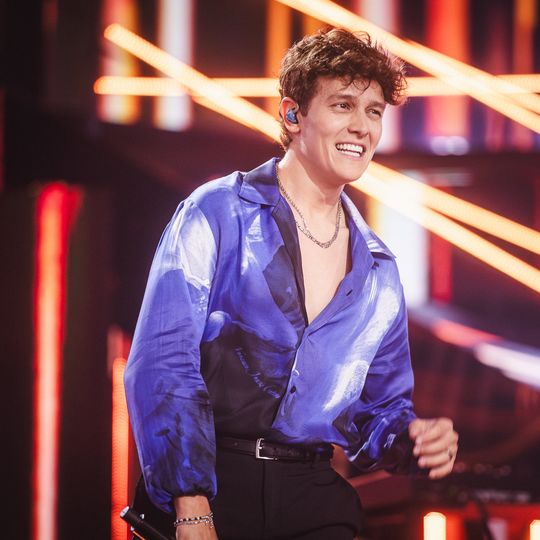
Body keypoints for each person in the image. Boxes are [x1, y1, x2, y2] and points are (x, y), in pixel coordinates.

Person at [124, 28, 458, 540]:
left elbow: (378, 413)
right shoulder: (218, 213)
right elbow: (163, 362)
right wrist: (191, 506)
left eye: (374, 111)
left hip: (313, 495)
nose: (362, 126)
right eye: (343, 105)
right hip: (211, 486)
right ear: (292, 114)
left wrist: (414, 437)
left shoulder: (379, 271)